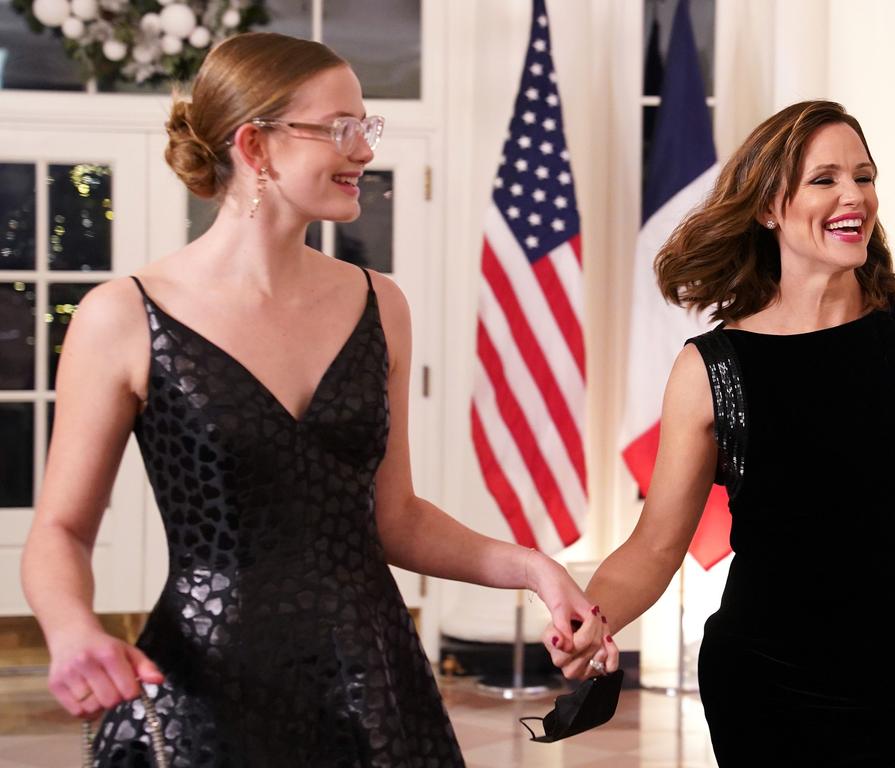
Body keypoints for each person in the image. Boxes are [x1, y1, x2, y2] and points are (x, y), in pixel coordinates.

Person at [21, 32, 610, 767]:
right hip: (208, 686)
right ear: (256, 146)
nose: (364, 151)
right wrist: (72, 628)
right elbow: (62, 531)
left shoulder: (380, 304)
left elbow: (396, 520)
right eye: (341, 128)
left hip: (372, 680)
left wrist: (535, 568)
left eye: (366, 127)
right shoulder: (124, 315)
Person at [545, 100, 895, 767]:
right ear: (768, 207)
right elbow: (653, 546)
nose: (853, 195)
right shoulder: (713, 369)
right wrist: (591, 618)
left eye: (864, 175)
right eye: (824, 179)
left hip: (888, 681)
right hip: (768, 685)